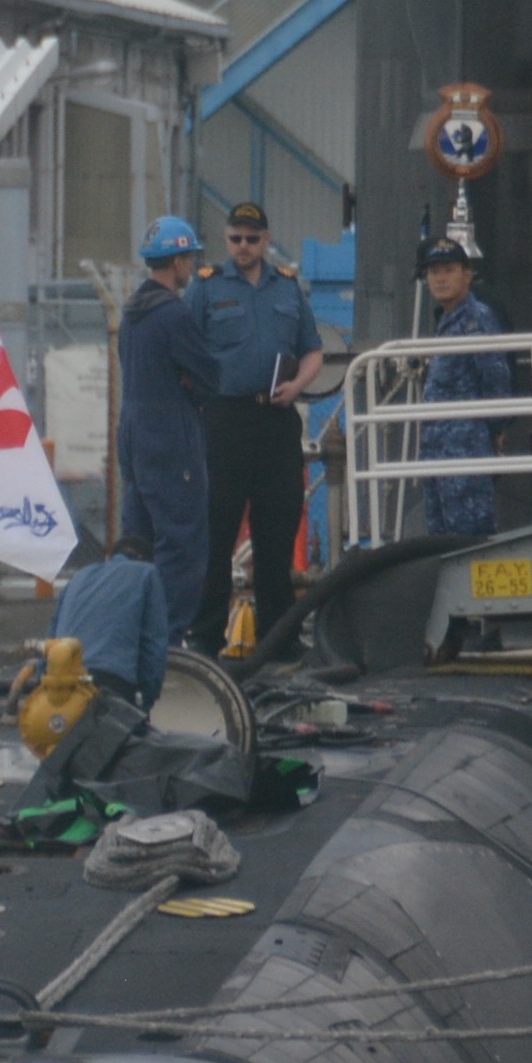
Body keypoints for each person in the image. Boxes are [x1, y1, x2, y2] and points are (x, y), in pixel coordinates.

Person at [181, 198, 326, 657]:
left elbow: (312, 350)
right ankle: (206, 636)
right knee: (217, 528)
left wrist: (297, 386)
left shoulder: (287, 288)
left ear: (266, 241)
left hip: (276, 418)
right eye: (235, 238)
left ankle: (278, 638)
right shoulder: (206, 288)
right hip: (225, 419)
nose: (242, 246)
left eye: (251, 239)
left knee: (277, 529)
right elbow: (184, 351)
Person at [115, 218, 225, 640]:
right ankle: (168, 642)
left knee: (137, 545)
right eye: (189, 258)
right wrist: (190, 381)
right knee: (181, 546)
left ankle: (129, 635)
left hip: (134, 438)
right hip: (170, 440)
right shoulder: (173, 314)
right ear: (177, 261)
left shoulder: (132, 314)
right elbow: (209, 375)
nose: (192, 266)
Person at [413, 234, 512, 540]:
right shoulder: (447, 322)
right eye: (433, 272)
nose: (440, 279)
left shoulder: (476, 320)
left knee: (470, 541)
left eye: (448, 270)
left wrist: (494, 431)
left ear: (467, 276)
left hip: (465, 449)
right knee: (441, 542)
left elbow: (496, 380)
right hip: (437, 451)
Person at [51, 525, 174, 711]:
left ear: (109, 556)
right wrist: (147, 698)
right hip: (111, 679)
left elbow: (51, 634)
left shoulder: (78, 577)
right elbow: (154, 644)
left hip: (59, 678)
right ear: (145, 559)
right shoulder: (146, 573)